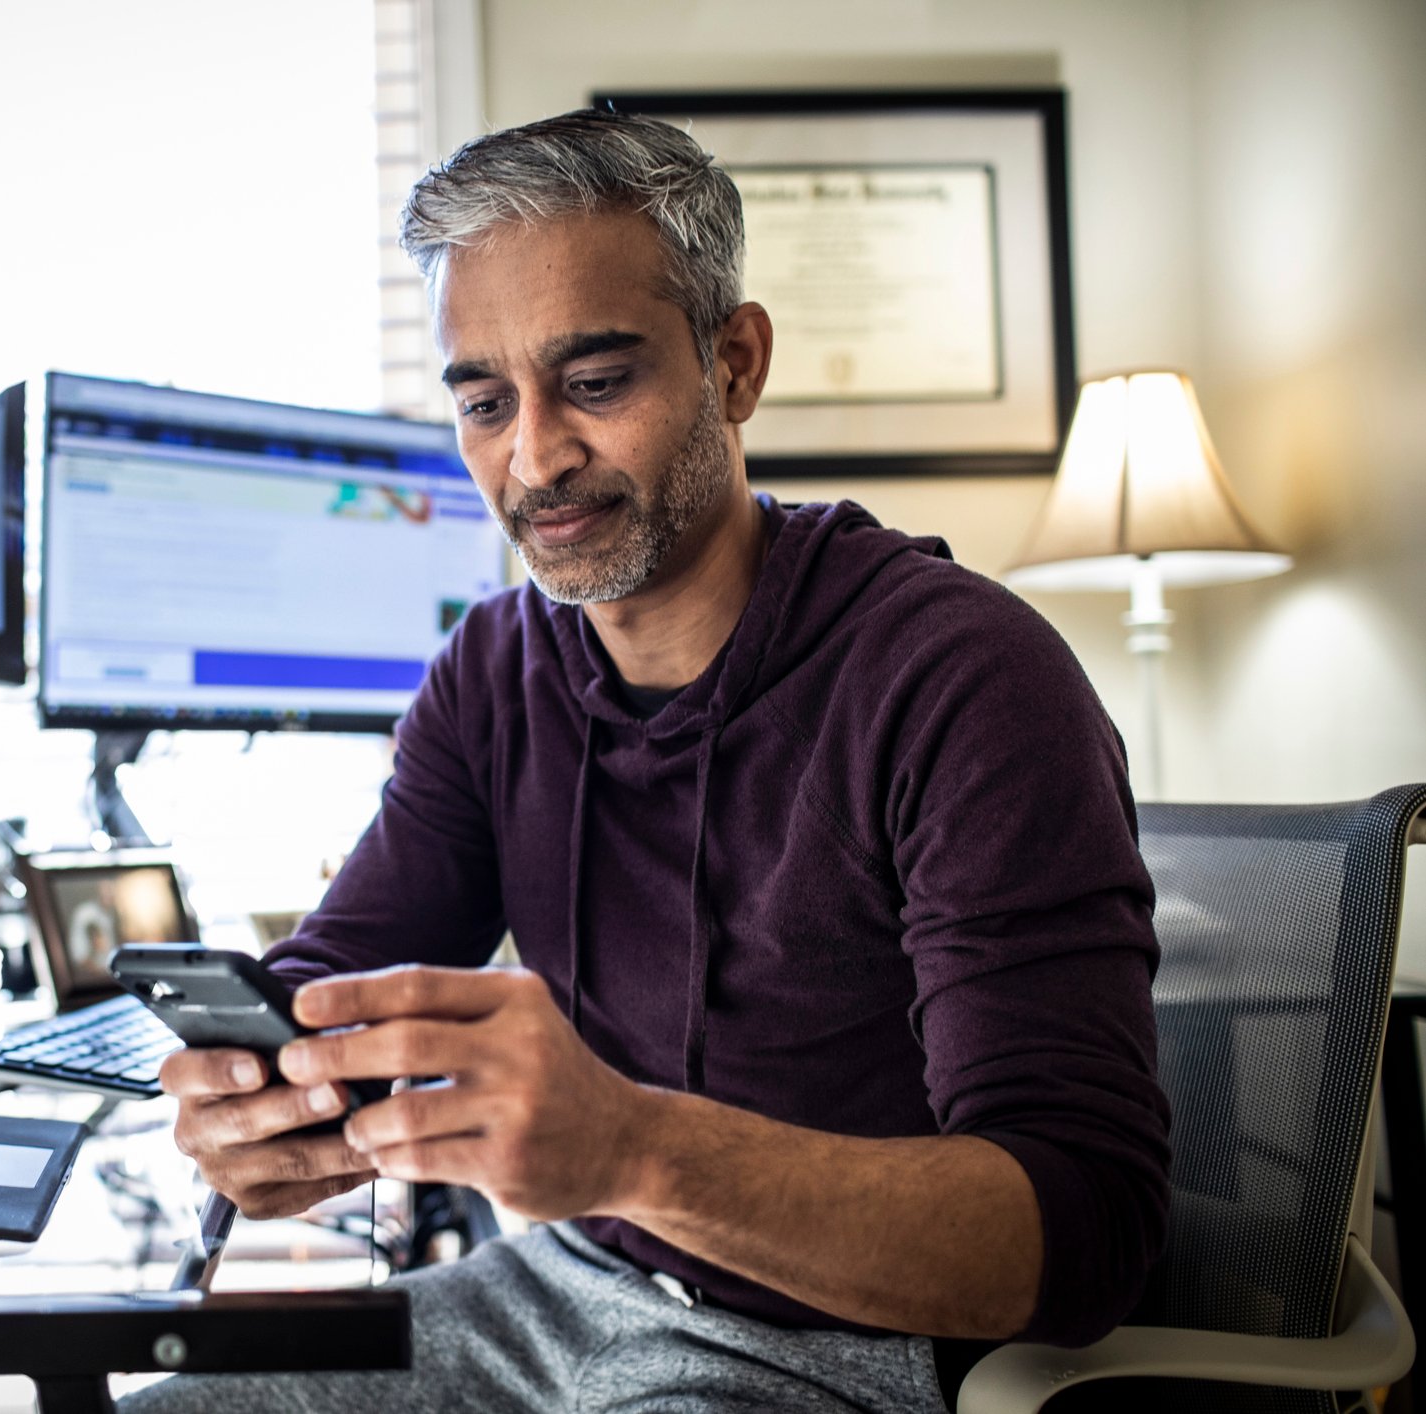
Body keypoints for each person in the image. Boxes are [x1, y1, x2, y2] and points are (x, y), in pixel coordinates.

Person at [125, 109, 1169, 1413]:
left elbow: (1084, 1232)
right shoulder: (492, 669)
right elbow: (340, 978)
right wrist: (258, 1098)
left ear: (732, 364)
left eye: (596, 381)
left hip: (848, 1345)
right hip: (553, 1285)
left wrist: (631, 1145)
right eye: (484, 402)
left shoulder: (961, 677)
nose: (534, 456)